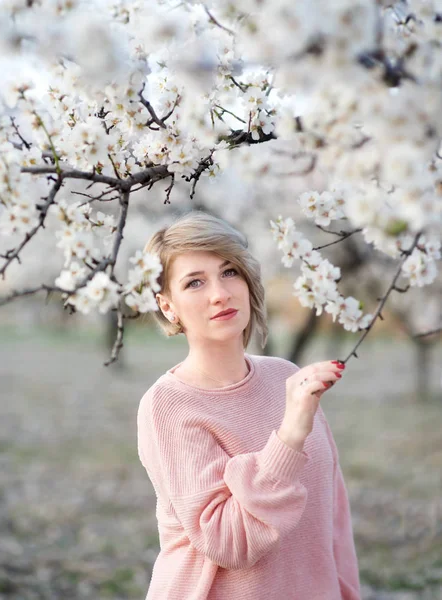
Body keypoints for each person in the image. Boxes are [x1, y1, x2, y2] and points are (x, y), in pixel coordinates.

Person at [137, 210, 361, 600]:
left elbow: (329, 512)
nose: (219, 293)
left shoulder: (284, 377)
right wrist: (289, 437)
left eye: (229, 272)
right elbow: (228, 542)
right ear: (167, 305)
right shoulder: (167, 405)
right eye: (194, 282)